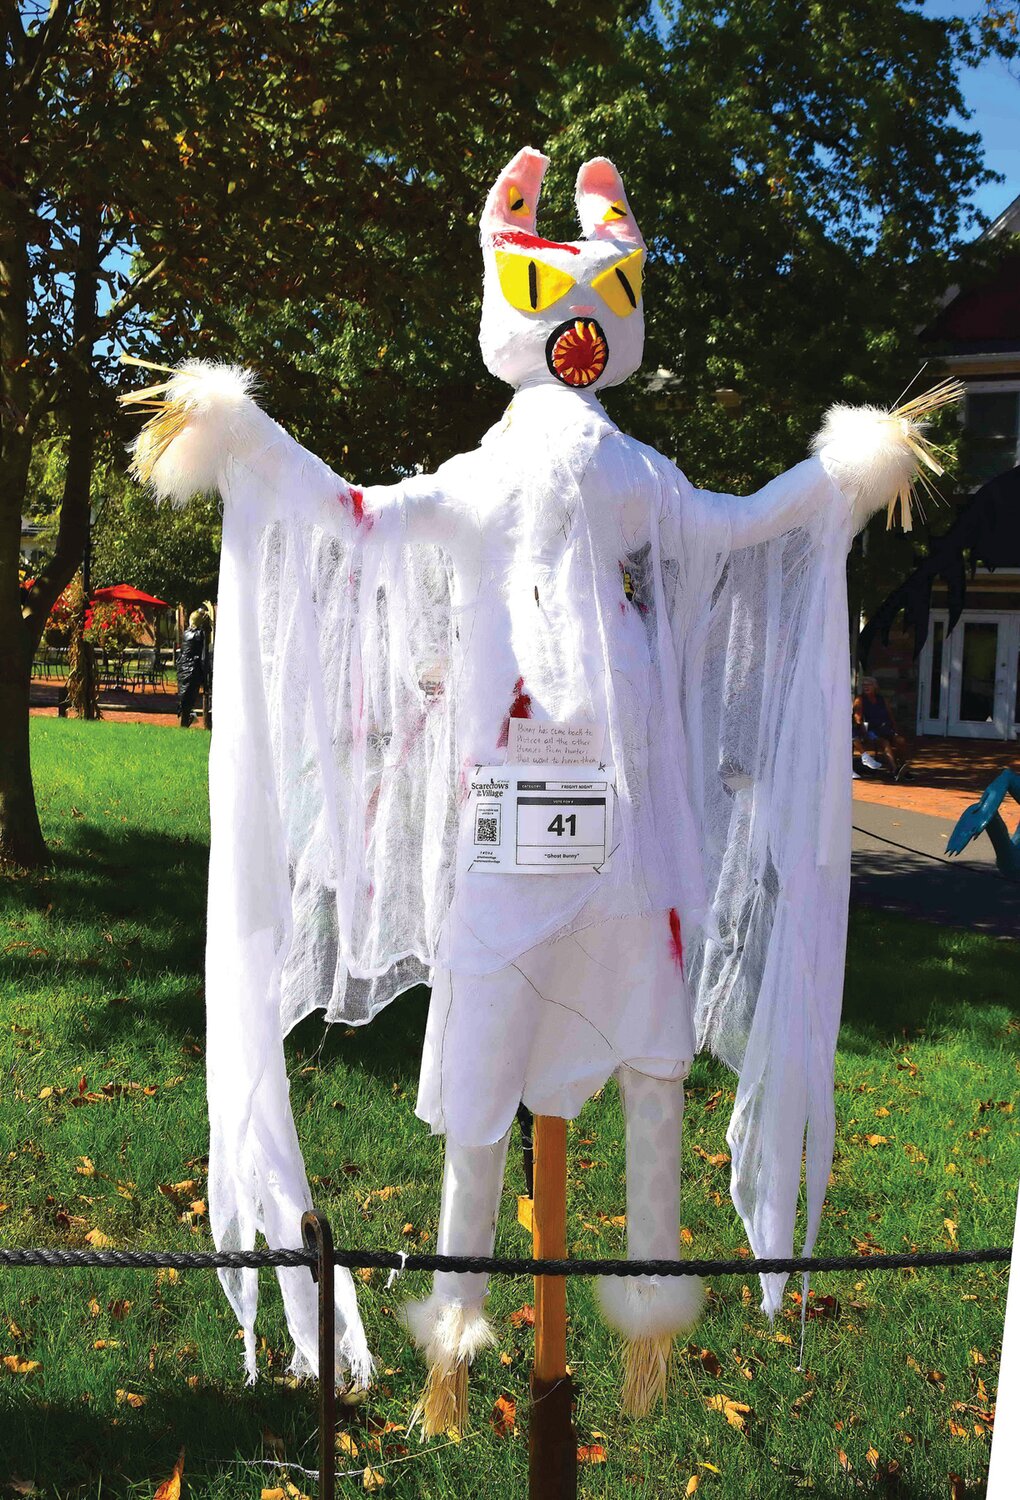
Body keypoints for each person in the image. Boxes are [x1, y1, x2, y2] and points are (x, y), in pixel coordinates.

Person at [853, 675, 909, 777]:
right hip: (871, 731)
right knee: (885, 743)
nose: (866, 687)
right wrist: (862, 730)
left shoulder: (882, 699)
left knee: (900, 741)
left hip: (885, 728)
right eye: (864, 685)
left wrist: (895, 729)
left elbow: (890, 715)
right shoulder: (860, 700)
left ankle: (903, 767)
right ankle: (895, 769)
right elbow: (858, 717)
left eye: (868, 685)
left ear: (875, 686)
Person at [176, 608, 211, 727]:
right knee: (189, 698)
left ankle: (185, 720)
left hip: (183, 669)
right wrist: (205, 674)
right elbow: (204, 656)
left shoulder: (186, 633)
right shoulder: (200, 634)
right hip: (193, 670)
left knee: (185, 698)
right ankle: (187, 721)